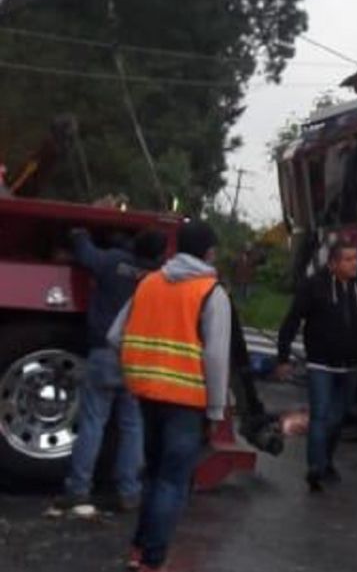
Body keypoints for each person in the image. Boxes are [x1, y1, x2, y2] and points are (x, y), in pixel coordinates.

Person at [108, 221, 231, 572]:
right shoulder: (211, 292)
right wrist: (216, 409)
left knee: (153, 474)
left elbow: (116, 336)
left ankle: (139, 548)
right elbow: (216, 356)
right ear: (209, 252)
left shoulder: (148, 282)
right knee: (172, 482)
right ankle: (153, 560)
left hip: (146, 394)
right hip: (187, 401)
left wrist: (142, 366)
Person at [50, 228, 166, 517]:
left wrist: (79, 235)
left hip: (104, 353)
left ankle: (78, 490)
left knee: (93, 422)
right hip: (139, 360)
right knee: (132, 426)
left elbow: (86, 255)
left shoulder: (114, 261)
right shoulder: (160, 278)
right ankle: (129, 493)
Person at [275, 241, 357, 492]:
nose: (353, 264)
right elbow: (292, 320)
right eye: (347, 260)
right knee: (320, 416)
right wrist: (282, 357)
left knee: (338, 419)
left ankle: (326, 461)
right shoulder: (314, 287)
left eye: (354, 259)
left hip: (349, 365)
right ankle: (315, 467)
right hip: (320, 364)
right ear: (333, 263)